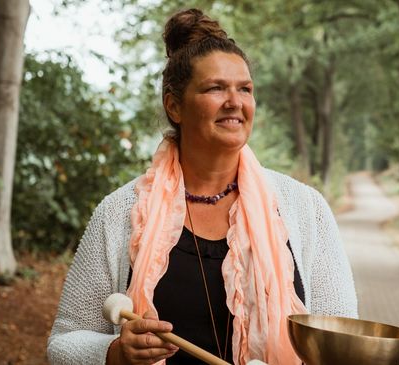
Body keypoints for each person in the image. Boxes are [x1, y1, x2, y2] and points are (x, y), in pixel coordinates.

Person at [47, 8, 357, 365]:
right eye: (215, 88)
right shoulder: (119, 213)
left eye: (245, 89)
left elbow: (342, 340)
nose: (235, 102)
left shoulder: (305, 209)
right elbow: (62, 344)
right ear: (174, 106)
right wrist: (115, 352)